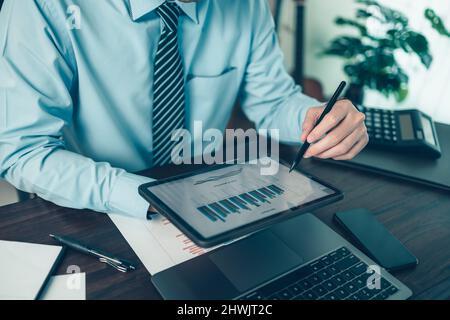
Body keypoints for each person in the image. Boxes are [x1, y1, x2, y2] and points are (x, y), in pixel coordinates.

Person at [0, 0, 368, 219]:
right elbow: (23, 151)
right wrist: (150, 198)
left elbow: (272, 100)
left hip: (205, 191)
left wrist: (313, 118)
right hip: (88, 204)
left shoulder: (245, 6)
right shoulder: (41, 7)